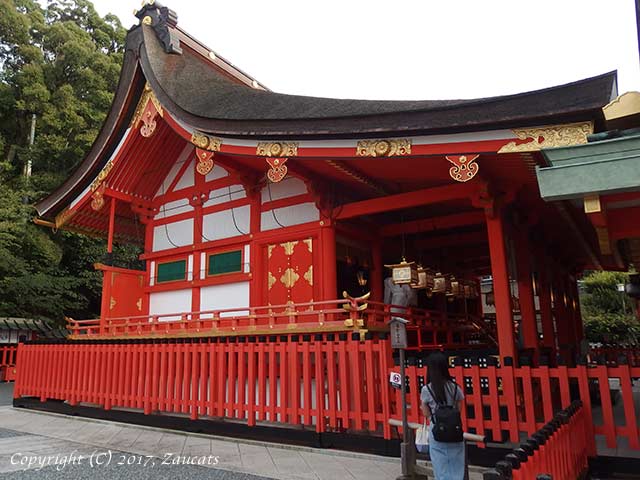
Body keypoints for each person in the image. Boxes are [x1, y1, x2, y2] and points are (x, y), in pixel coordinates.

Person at [420, 352, 465, 480]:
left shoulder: (427, 389)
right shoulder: (455, 387)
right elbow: (458, 408)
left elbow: (425, 411)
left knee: (440, 466)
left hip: (437, 427)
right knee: (457, 465)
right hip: (454, 428)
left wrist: (432, 419)